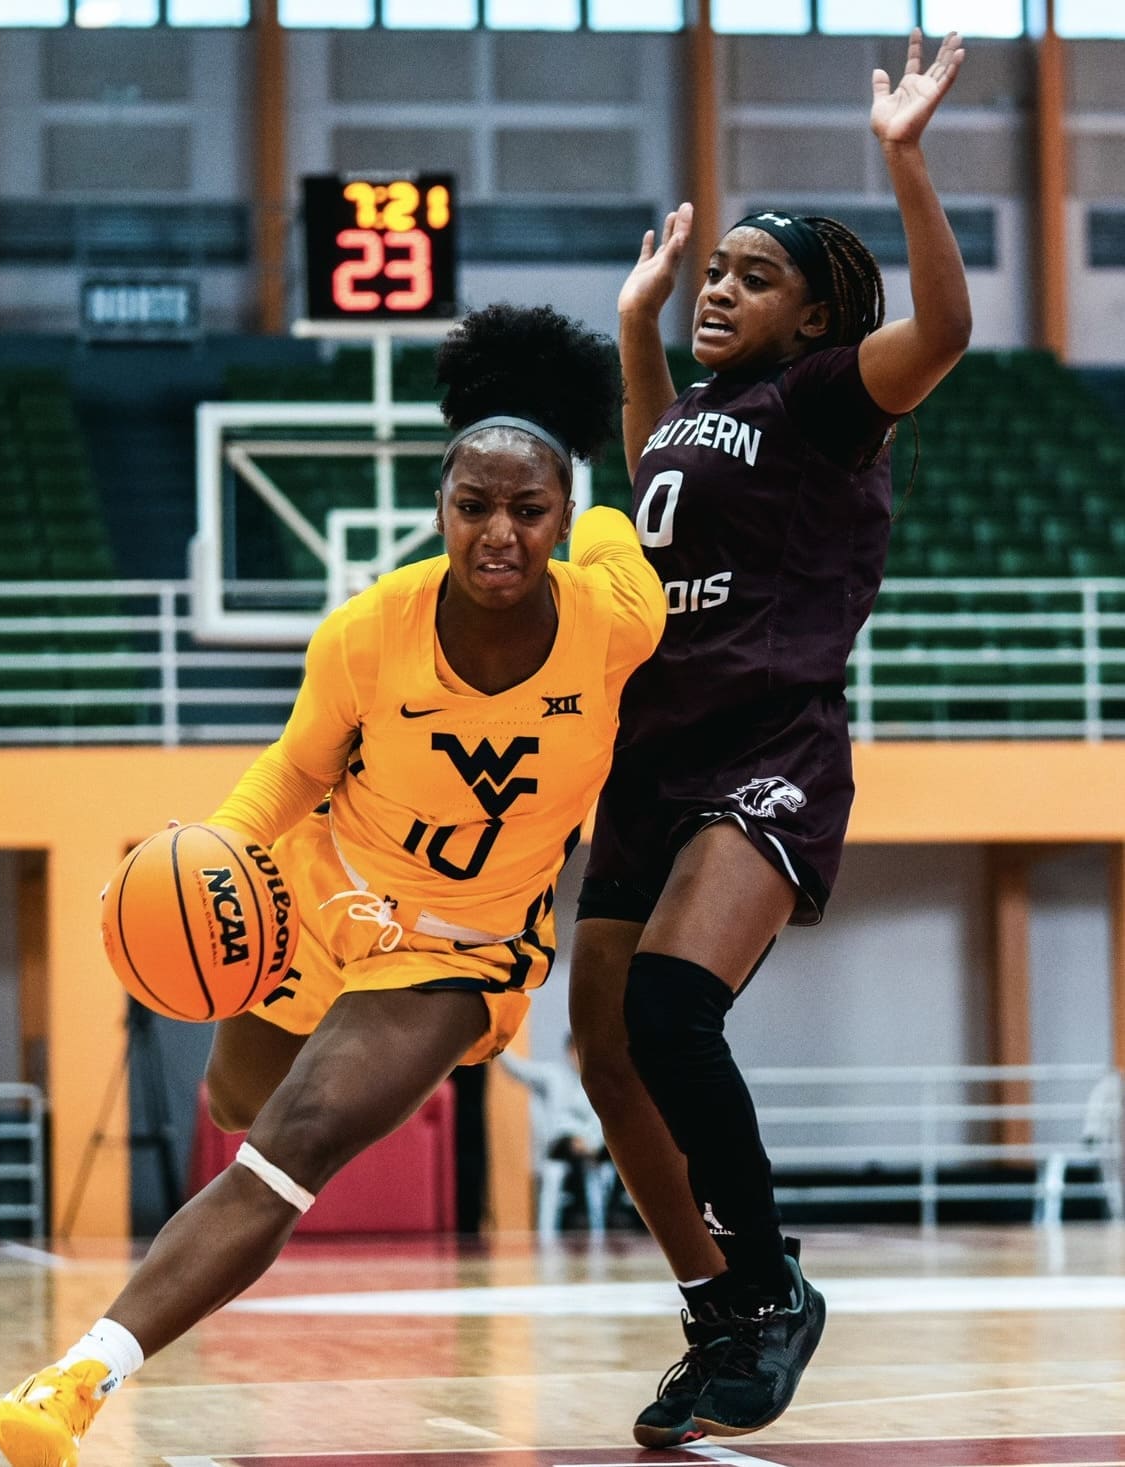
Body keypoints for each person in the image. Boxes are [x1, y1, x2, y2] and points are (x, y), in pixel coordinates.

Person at [0, 303, 666, 1467]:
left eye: (527, 508)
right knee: (237, 1100)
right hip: (317, 900)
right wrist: (218, 847)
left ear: (559, 516)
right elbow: (293, 770)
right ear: (440, 508)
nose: (499, 531)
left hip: (458, 948)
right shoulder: (366, 632)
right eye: (473, 505)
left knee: (284, 1146)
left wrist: (637, 337)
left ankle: (75, 1382)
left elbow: (642, 480)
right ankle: (315, 1077)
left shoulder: (615, 613)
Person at [568, 29, 972, 1446]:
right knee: (605, 1048)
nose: (719, 290)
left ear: (815, 320)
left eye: (752, 276)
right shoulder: (699, 412)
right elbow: (648, 467)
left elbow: (946, 333)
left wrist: (905, 161)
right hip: (646, 753)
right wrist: (634, 326)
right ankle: (719, 1308)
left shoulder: (824, 404)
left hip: (765, 741)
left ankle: (770, 1278)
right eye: (715, 272)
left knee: (673, 1009)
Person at [500, 1036, 610, 1229]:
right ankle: (561, 1226)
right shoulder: (553, 1075)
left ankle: (602, 1228)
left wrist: (591, 1145)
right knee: (561, 1163)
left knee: (609, 1164)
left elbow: (600, 1122)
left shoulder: (598, 1082)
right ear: (569, 1052)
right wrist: (497, 1042)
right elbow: (518, 1069)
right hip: (560, 1148)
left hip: (590, 1151)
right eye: (575, 1051)